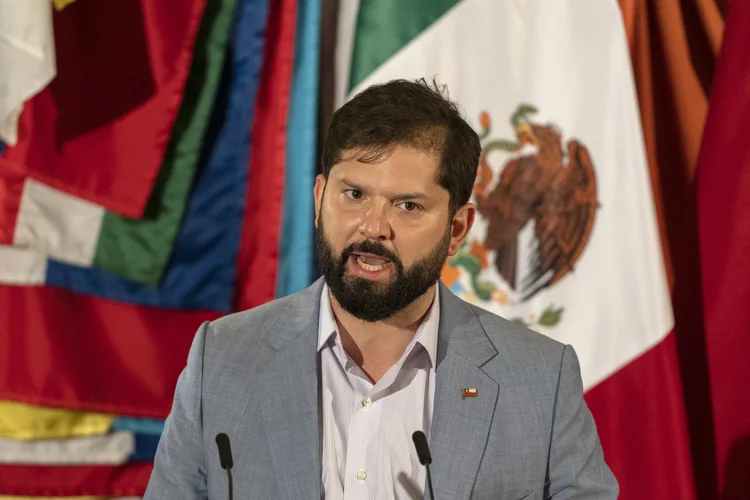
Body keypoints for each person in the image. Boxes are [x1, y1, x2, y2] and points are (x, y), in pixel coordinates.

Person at [144, 78, 619, 499]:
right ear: (318, 199)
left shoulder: (539, 379)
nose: (373, 228)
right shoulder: (223, 359)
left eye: (408, 206)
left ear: (457, 230)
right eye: (354, 195)